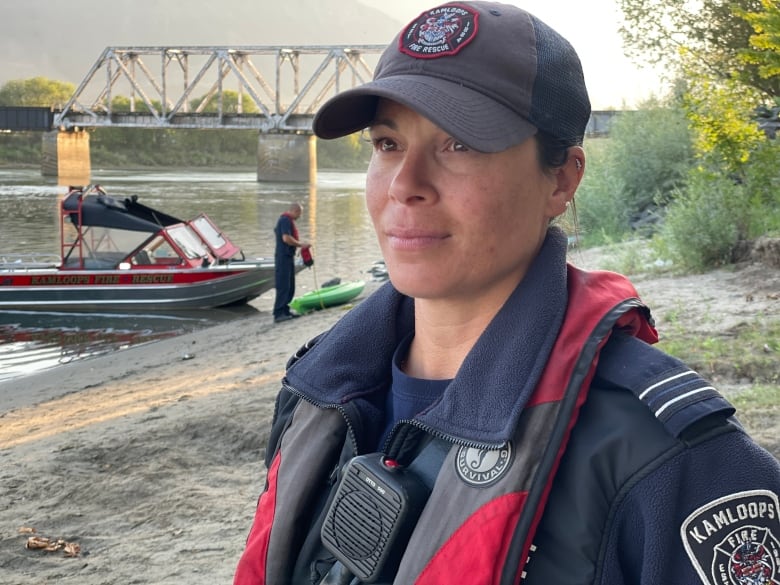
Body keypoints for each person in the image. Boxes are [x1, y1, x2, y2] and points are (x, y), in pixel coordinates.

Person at [235, 2, 780, 584]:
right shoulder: (317, 390)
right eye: (387, 144)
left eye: (458, 145)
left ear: (562, 180)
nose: (404, 185)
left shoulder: (670, 457)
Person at [273, 202, 310, 323]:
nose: (299, 216)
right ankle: (279, 313)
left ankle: (285, 310)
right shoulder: (285, 220)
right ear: (295, 211)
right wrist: (301, 244)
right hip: (283, 257)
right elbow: (286, 238)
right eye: (299, 213)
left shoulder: (288, 221)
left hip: (288, 256)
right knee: (283, 285)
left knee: (290, 285)